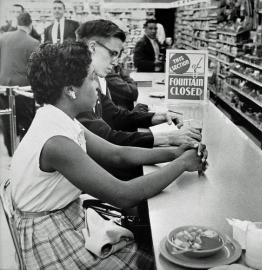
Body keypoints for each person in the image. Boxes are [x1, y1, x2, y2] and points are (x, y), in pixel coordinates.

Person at [10, 41, 207, 270]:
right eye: (91, 77)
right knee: (148, 263)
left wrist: (175, 153)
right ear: (70, 89)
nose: (98, 85)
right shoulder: (56, 142)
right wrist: (182, 164)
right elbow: (122, 195)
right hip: (50, 236)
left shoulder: (59, 118)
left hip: (68, 217)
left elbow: (116, 154)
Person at [76, 20, 202, 180]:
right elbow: (109, 142)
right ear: (92, 47)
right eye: (113, 53)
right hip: (99, 175)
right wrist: (170, 141)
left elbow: (115, 115)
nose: (116, 62)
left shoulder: (90, 80)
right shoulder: (77, 88)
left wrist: (156, 117)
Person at [0, 12, 40, 156]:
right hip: (23, 88)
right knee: (26, 120)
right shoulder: (33, 43)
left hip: (3, 86)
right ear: (30, 25)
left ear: (17, 23)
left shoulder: (3, 38)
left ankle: (11, 151)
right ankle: (24, 153)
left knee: (7, 120)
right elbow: (36, 68)